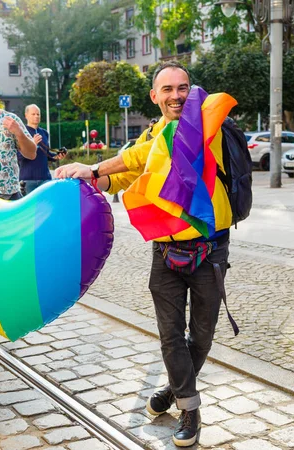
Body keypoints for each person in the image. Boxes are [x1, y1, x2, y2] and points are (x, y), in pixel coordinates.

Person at [56, 61, 234, 448]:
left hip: (209, 248)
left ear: (192, 89)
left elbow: (150, 152)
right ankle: (190, 408)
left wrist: (94, 166)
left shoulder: (205, 121)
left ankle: (172, 392)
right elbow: (123, 175)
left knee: (201, 338)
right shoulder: (152, 133)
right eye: (167, 89)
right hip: (166, 252)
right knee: (171, 336)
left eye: (182, 87)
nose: (176, 95)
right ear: (154, 96)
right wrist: (84, 179)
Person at [18, 104, 64, 195]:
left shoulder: (44, 133)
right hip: (28, 180)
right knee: (31, 208)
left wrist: (57, 156)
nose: (36, 116)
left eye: (38, 114)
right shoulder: (21, 133)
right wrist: (33, 144)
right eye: (33, 114)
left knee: (46, 207)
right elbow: (18, 156)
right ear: (26, 115)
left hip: (45, 179)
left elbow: (47, 154)